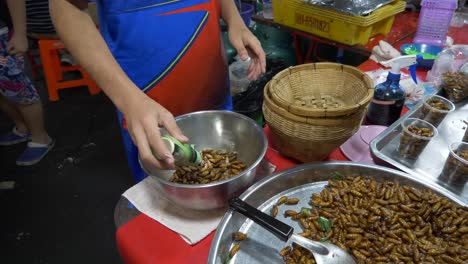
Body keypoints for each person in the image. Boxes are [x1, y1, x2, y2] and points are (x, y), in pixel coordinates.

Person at [50, 0, 266, 181]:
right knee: (165, 187)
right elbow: (67, 6)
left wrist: (234, 19)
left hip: (211, 84)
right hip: (145, 97)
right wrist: (129, 100)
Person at [0, 0, 54, 165]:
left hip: (2, 34)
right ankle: (22, 127)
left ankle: (40, 137)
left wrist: (20, 33)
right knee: (2, 93)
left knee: (20, 90)